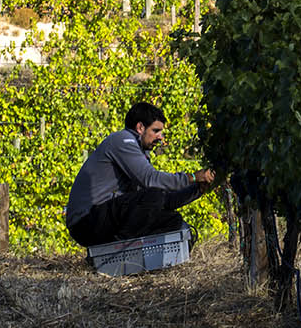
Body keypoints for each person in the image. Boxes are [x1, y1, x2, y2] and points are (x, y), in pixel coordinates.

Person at [65, 102, 217, 249]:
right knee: (154, 195)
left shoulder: (138, 152)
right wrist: (193, 176)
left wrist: (198, 189)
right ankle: (118, 254)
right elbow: (151, 180)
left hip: (103, 219)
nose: (160, 137)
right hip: (86, 222)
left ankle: (139, 259)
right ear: (140, 127)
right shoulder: (122, 140)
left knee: (173, 220)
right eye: (156, 131)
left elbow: (165, 200)